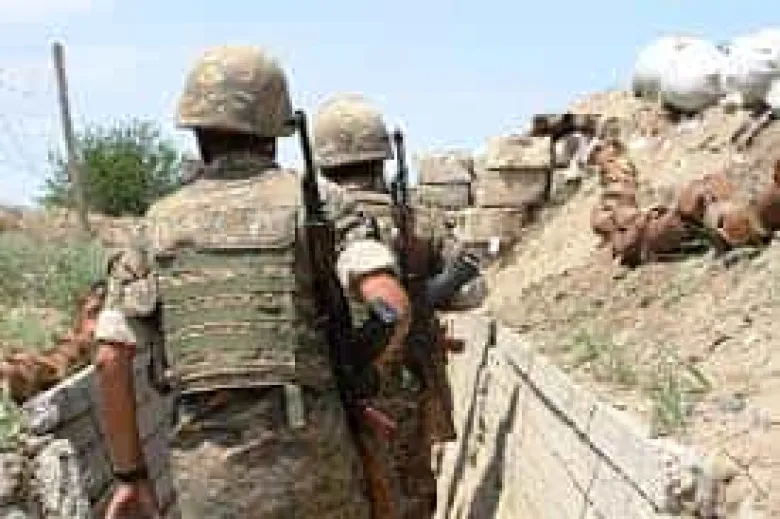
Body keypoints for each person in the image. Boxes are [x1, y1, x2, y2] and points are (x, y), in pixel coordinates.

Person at [93, 45, 410, 519]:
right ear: (277, 126)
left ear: (196, 129)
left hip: (208, 482)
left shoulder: (156, 225)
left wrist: (131, 476)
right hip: (316, 466)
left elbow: (109, 359)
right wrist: (351, 376)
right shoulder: (319, 203)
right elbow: (391, 308)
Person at [313, 92, 471, 518]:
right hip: (402, 383)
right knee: (411, 492)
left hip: (333, 390)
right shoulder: (417, 220)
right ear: (381, 157)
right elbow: (472, 292)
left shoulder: (314, 223)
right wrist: (426, 294)